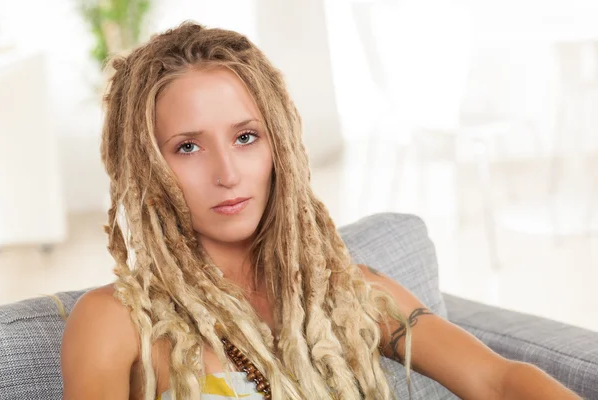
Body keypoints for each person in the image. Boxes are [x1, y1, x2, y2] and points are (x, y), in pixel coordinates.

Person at [60, 22, 580, 400]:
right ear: (145, 165)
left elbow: (498, 381)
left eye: (246, 137)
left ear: (280, 147)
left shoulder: (348, 291)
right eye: (188, 147)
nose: (228, 173)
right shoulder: (115, 324)